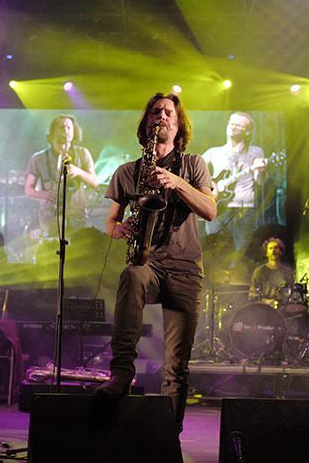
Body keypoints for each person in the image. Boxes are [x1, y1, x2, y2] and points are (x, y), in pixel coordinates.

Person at [94, 92, 217, 433]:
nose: (161, 116)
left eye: (168, 113)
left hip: (185, 268)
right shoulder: (127, 171)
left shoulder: (194, 164)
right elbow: (110, 222)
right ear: (147, 123)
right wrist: (119, 229)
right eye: (155, 112)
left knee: (177, 365)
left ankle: (169, 435)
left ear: (179, 127)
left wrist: (176, 183)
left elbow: (209, 210)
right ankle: (121, 374)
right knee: (132, 276)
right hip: (147, 260)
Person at [24, 115, 98, 238]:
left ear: (74, 132)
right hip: (50, 216)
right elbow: (28, 189)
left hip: (77, 214)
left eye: (69, 127)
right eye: (61, 127)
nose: (65, 131)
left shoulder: (83, 153)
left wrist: (78, 172)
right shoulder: (39, 158)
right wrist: (44, 194)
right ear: (53, 132)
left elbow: (95, 182)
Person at [202, 112, 267, 251]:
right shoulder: (213, 152)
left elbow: (259, 182)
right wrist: (211, 186)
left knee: (240, 253)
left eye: (239, 125)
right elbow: (195, 175)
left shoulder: (255, 152)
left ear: (248, 131)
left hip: (243, 210)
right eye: (231, 123)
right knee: (212, 249)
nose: (233, 127)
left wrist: (260, 171)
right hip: (217, 209)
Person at [248, 237, 294, 304]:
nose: (273, 251)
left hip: (283, 311)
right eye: (270, 248)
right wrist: (266, 302)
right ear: (266, 253)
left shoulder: (288, 272)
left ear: (281, 252)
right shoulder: (259, 272)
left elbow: (292, 294)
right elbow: (251, 296)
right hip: (264, 310)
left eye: (276, 248)